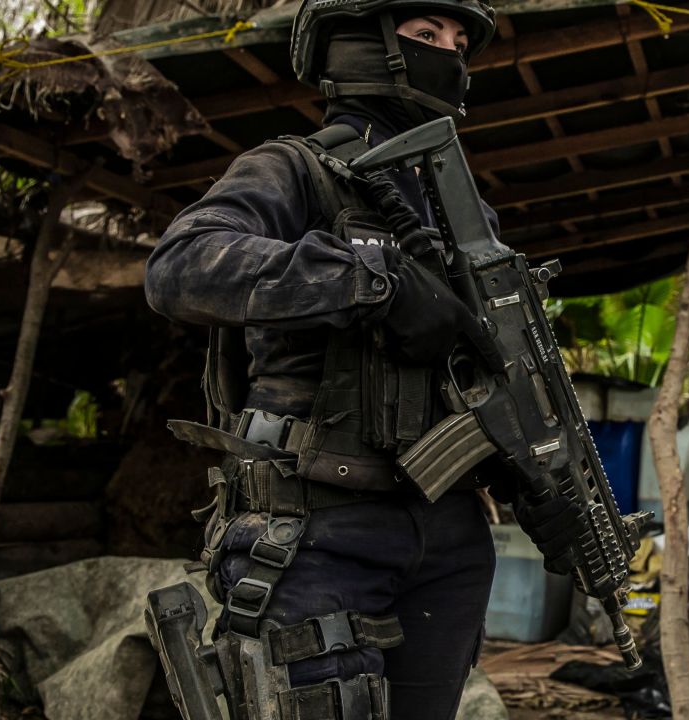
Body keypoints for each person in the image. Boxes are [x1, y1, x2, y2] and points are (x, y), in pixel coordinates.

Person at [144, 1, 583, 718]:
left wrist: (536, 480)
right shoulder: (292, 168)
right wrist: (370, 280)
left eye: (460, 43)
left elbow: (493, 375)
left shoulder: (465, 216)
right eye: (428, 35)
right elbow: (180, 268)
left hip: (447, 539)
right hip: (316, 529)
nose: (452, 55)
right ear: (361, 45)